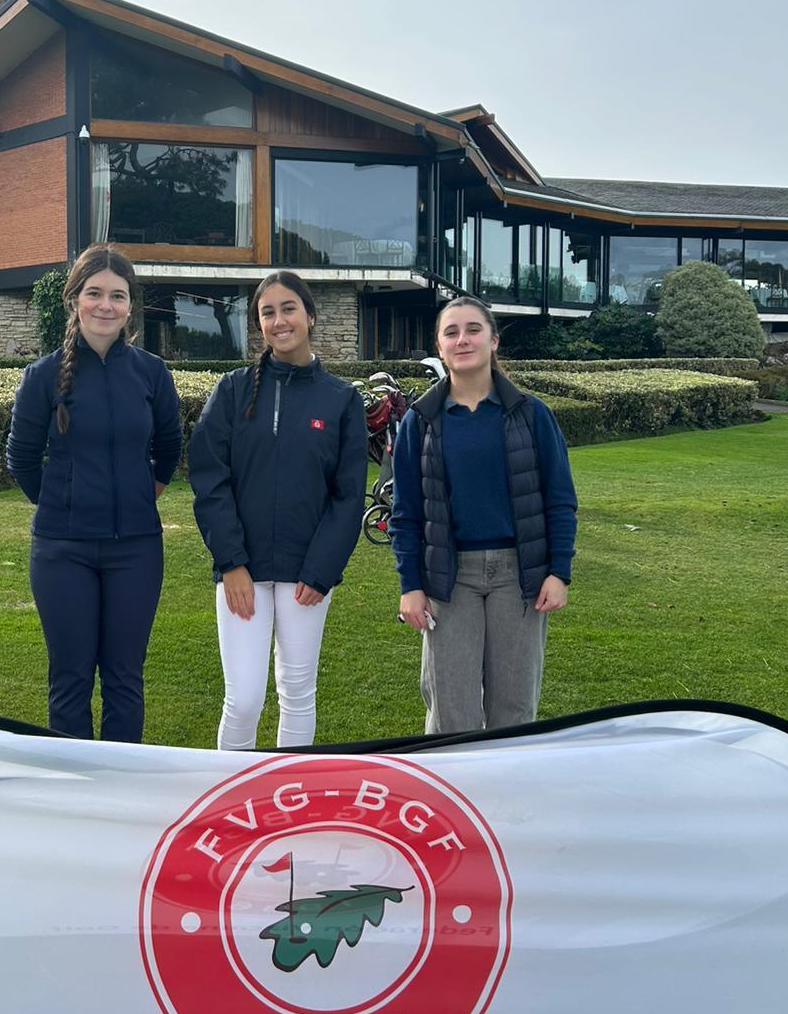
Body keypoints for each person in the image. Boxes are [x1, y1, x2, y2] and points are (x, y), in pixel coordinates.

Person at [5, 245, 181, 741]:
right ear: (75, 300)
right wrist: (62, 503)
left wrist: (140, 496)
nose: (106, 305)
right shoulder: (42, 376)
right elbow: (21, 459)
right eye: (95, 293)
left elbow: (169, 447)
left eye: (117, 296)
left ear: (130, 306)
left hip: (136, 549)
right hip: (63, 551)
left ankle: (121, 782)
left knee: (125, 680)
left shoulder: (151, 373)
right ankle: (75, 784)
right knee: (70, 680)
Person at [188, 272, 367, 750]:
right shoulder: (233, 390)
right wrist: (231, 563)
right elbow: (209, 479)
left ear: (310, 316)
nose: (279, 320)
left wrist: (321, 570)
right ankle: (233, 790)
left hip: (306, 575)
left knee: (297, 693)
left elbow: (348, 495)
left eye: (288, 308)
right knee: (243, 700)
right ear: (259, 324)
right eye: (267, 312)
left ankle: (291, 792)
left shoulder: (341, 400)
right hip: (242, 571)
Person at [389, 296, 577, 734]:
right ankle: (453, 780)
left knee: (514, 710)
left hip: (520, 576)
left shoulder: (530, 414)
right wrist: (410, 585)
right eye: (451, 332)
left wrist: (559, 572)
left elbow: (559, 499)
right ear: (440, 347)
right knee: (451, 711)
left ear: (493, 341)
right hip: (449, 577)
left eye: (473, 329)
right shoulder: (421, 421)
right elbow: (406, 514)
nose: (463, 340)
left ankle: (507, 781)